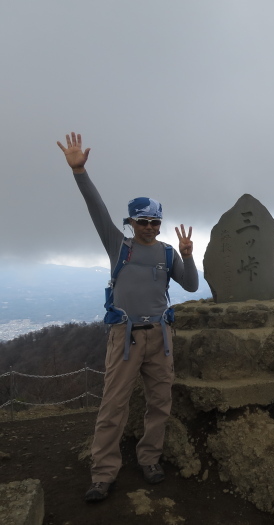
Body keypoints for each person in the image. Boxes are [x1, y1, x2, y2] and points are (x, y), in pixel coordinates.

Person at [57, 132, 199, 502]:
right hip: (126, 337)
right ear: (131, 222)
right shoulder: (118, 245)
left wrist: (187, 253)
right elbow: (96, 208)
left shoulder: (168, 254)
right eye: (143, 222)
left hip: (161, 337)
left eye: (155, 222)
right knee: (112, 406)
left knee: (160, 402)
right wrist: (80, 172)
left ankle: (149, 458)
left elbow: (192, 286)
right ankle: (103, 474)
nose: (150, 227)